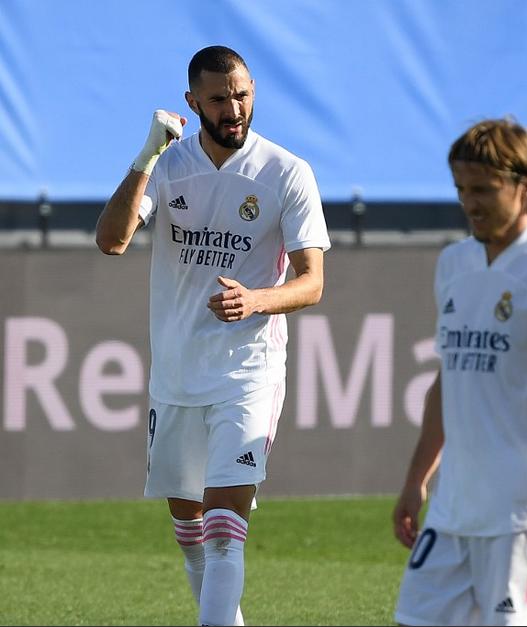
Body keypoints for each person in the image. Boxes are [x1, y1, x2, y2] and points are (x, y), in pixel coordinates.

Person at [95, 45, 330, 626]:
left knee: (227, 528)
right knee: (191, 532)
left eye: (243, 94)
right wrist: (146, 156)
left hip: (247, 372)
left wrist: (256, 300)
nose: (234, 109)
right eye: (220, 98)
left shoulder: (287, 172)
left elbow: (312, 283)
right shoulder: (170, 167)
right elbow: (111, 240)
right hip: (176, 374)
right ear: (193, 102)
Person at [391, 118, 527, 626]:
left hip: (520, 514)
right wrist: (417, 479)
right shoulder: (454, 264)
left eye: (484, 189)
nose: (470, 203)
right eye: (462, 189)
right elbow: (449, 380)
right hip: (452, 509)